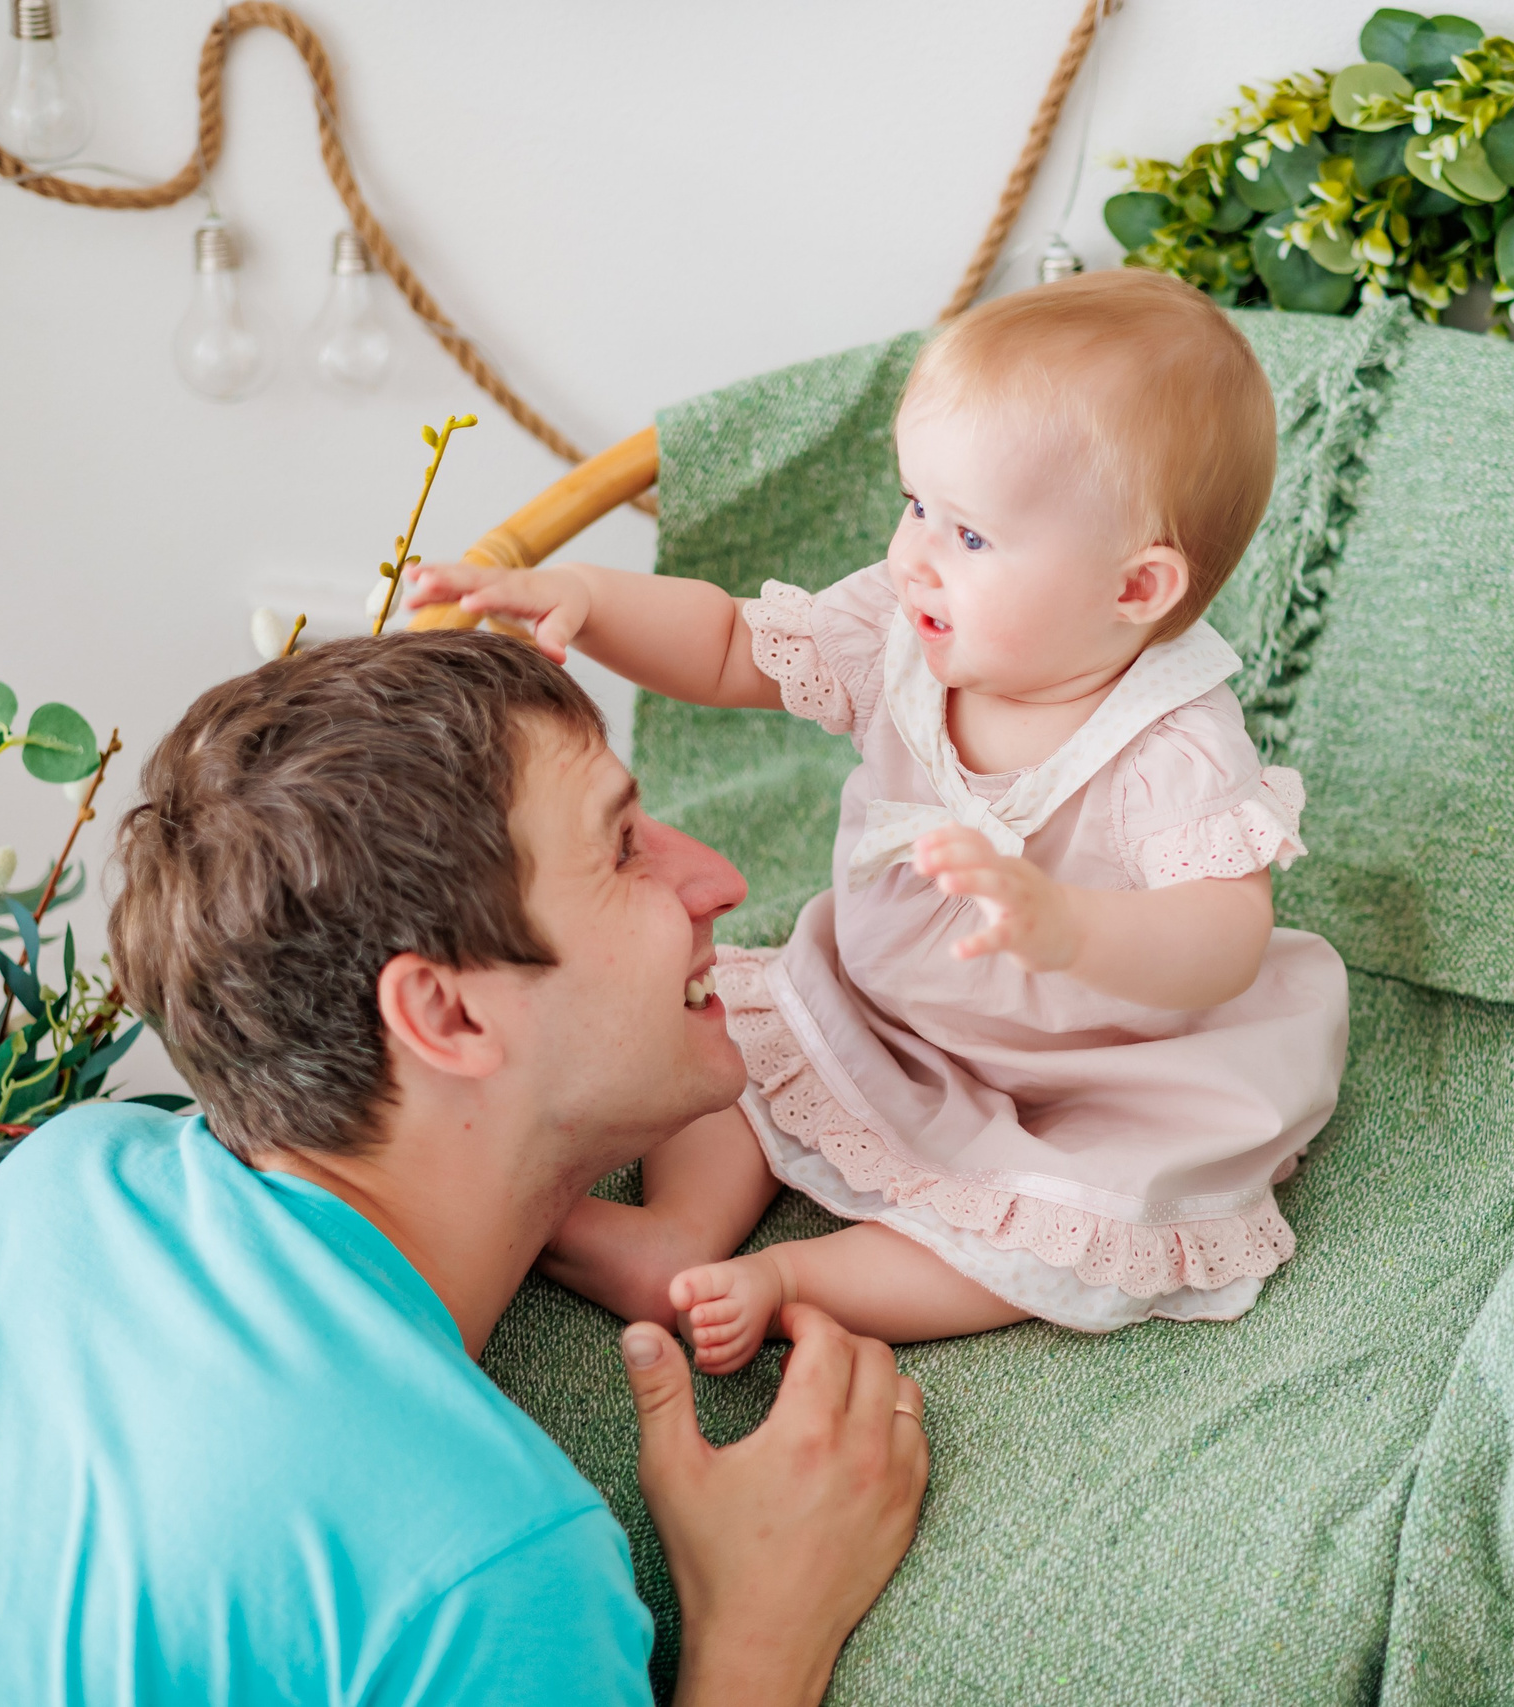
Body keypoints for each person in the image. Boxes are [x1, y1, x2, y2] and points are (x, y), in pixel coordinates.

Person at [0, 632, 927, 1704]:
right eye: (621, 849)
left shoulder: (61, 1180)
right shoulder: (485, 1568)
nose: (719, 879)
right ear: (443, 1016)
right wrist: (763, 1639)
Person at [409, 268, 1352, 1375]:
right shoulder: (908, 630)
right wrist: (593, 601)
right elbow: (726, 644)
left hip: (1107, 1065)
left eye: (970, 535)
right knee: (746, 1038)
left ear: (1135, 590)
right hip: (887, 997)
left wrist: (1069, 929)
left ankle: (801, 1276)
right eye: (915, 507)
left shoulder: (1170, 742)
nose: (914, 555)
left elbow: (1221, 938)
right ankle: (675, 1235)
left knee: (1074, 1226)